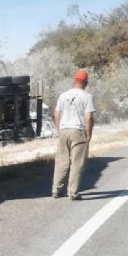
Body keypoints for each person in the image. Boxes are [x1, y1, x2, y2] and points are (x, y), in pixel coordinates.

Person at [53, 69, 96, 200]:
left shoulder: (63, 95)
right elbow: (89, 117)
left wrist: (59, 129)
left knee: (61, 161)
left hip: (64, 130)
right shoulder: (87, 97)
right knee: (77, 162)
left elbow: (57, 113)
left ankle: (56, 190)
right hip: (78, 131)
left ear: (74, 81)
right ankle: (72, 192)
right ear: (86, 83)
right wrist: (89, 134)